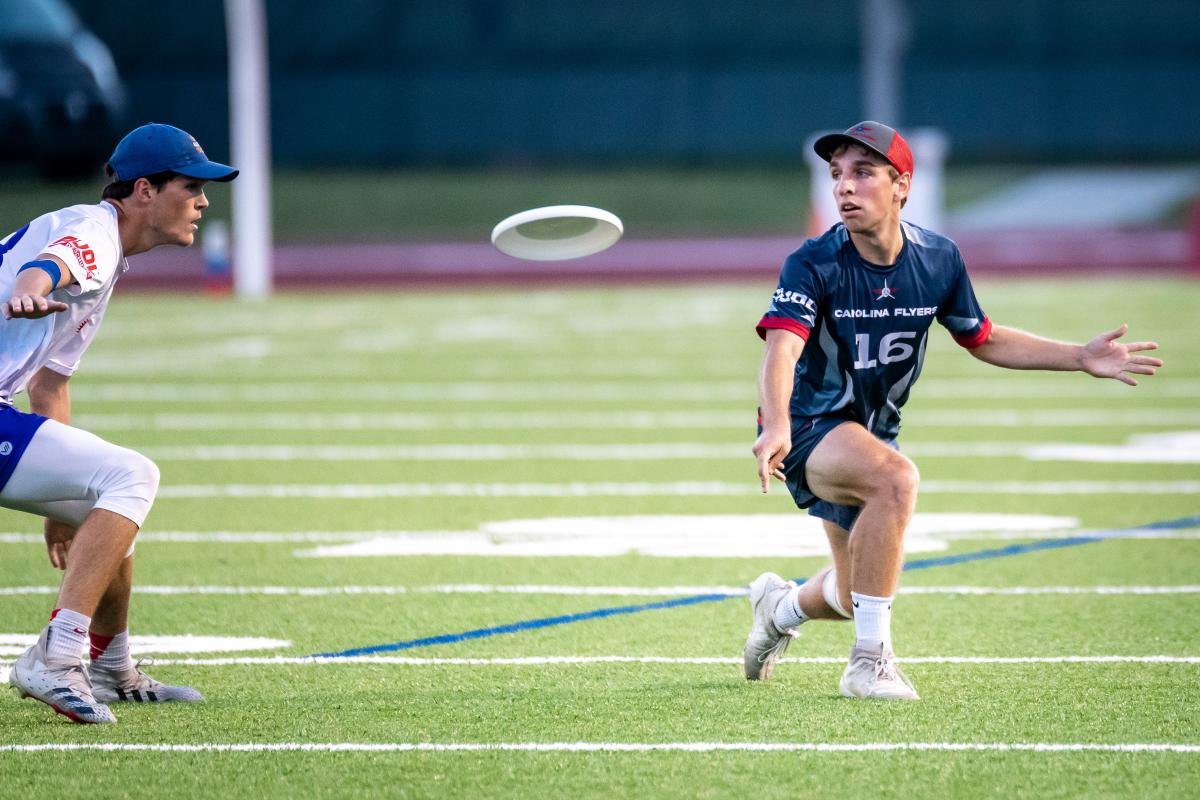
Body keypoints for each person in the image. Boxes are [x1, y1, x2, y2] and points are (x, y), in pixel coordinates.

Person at [742, 121, 1162, 700]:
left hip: (871, 432)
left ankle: (778, 608)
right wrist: (779, 424)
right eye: (837, 174)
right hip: (809, 427)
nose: (844, 187)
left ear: (902, 186)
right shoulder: (813, 262)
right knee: (896, 482)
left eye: (863, 173)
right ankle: (869, 664)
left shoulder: (938, 259)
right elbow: (781, 348)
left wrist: (1079, 356)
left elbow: (982, 337)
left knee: (850, 590)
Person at [1, 123, 237, 723]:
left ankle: (108, 666)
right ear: (144, 191)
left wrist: (61, 509)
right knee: (132, 476)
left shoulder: (103, 249)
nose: (204, 200)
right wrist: (31, 288)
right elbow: (48, 269)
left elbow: (50, 384)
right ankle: (56, 659)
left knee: (109, 505)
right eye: (192, 186)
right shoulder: (96, 240)